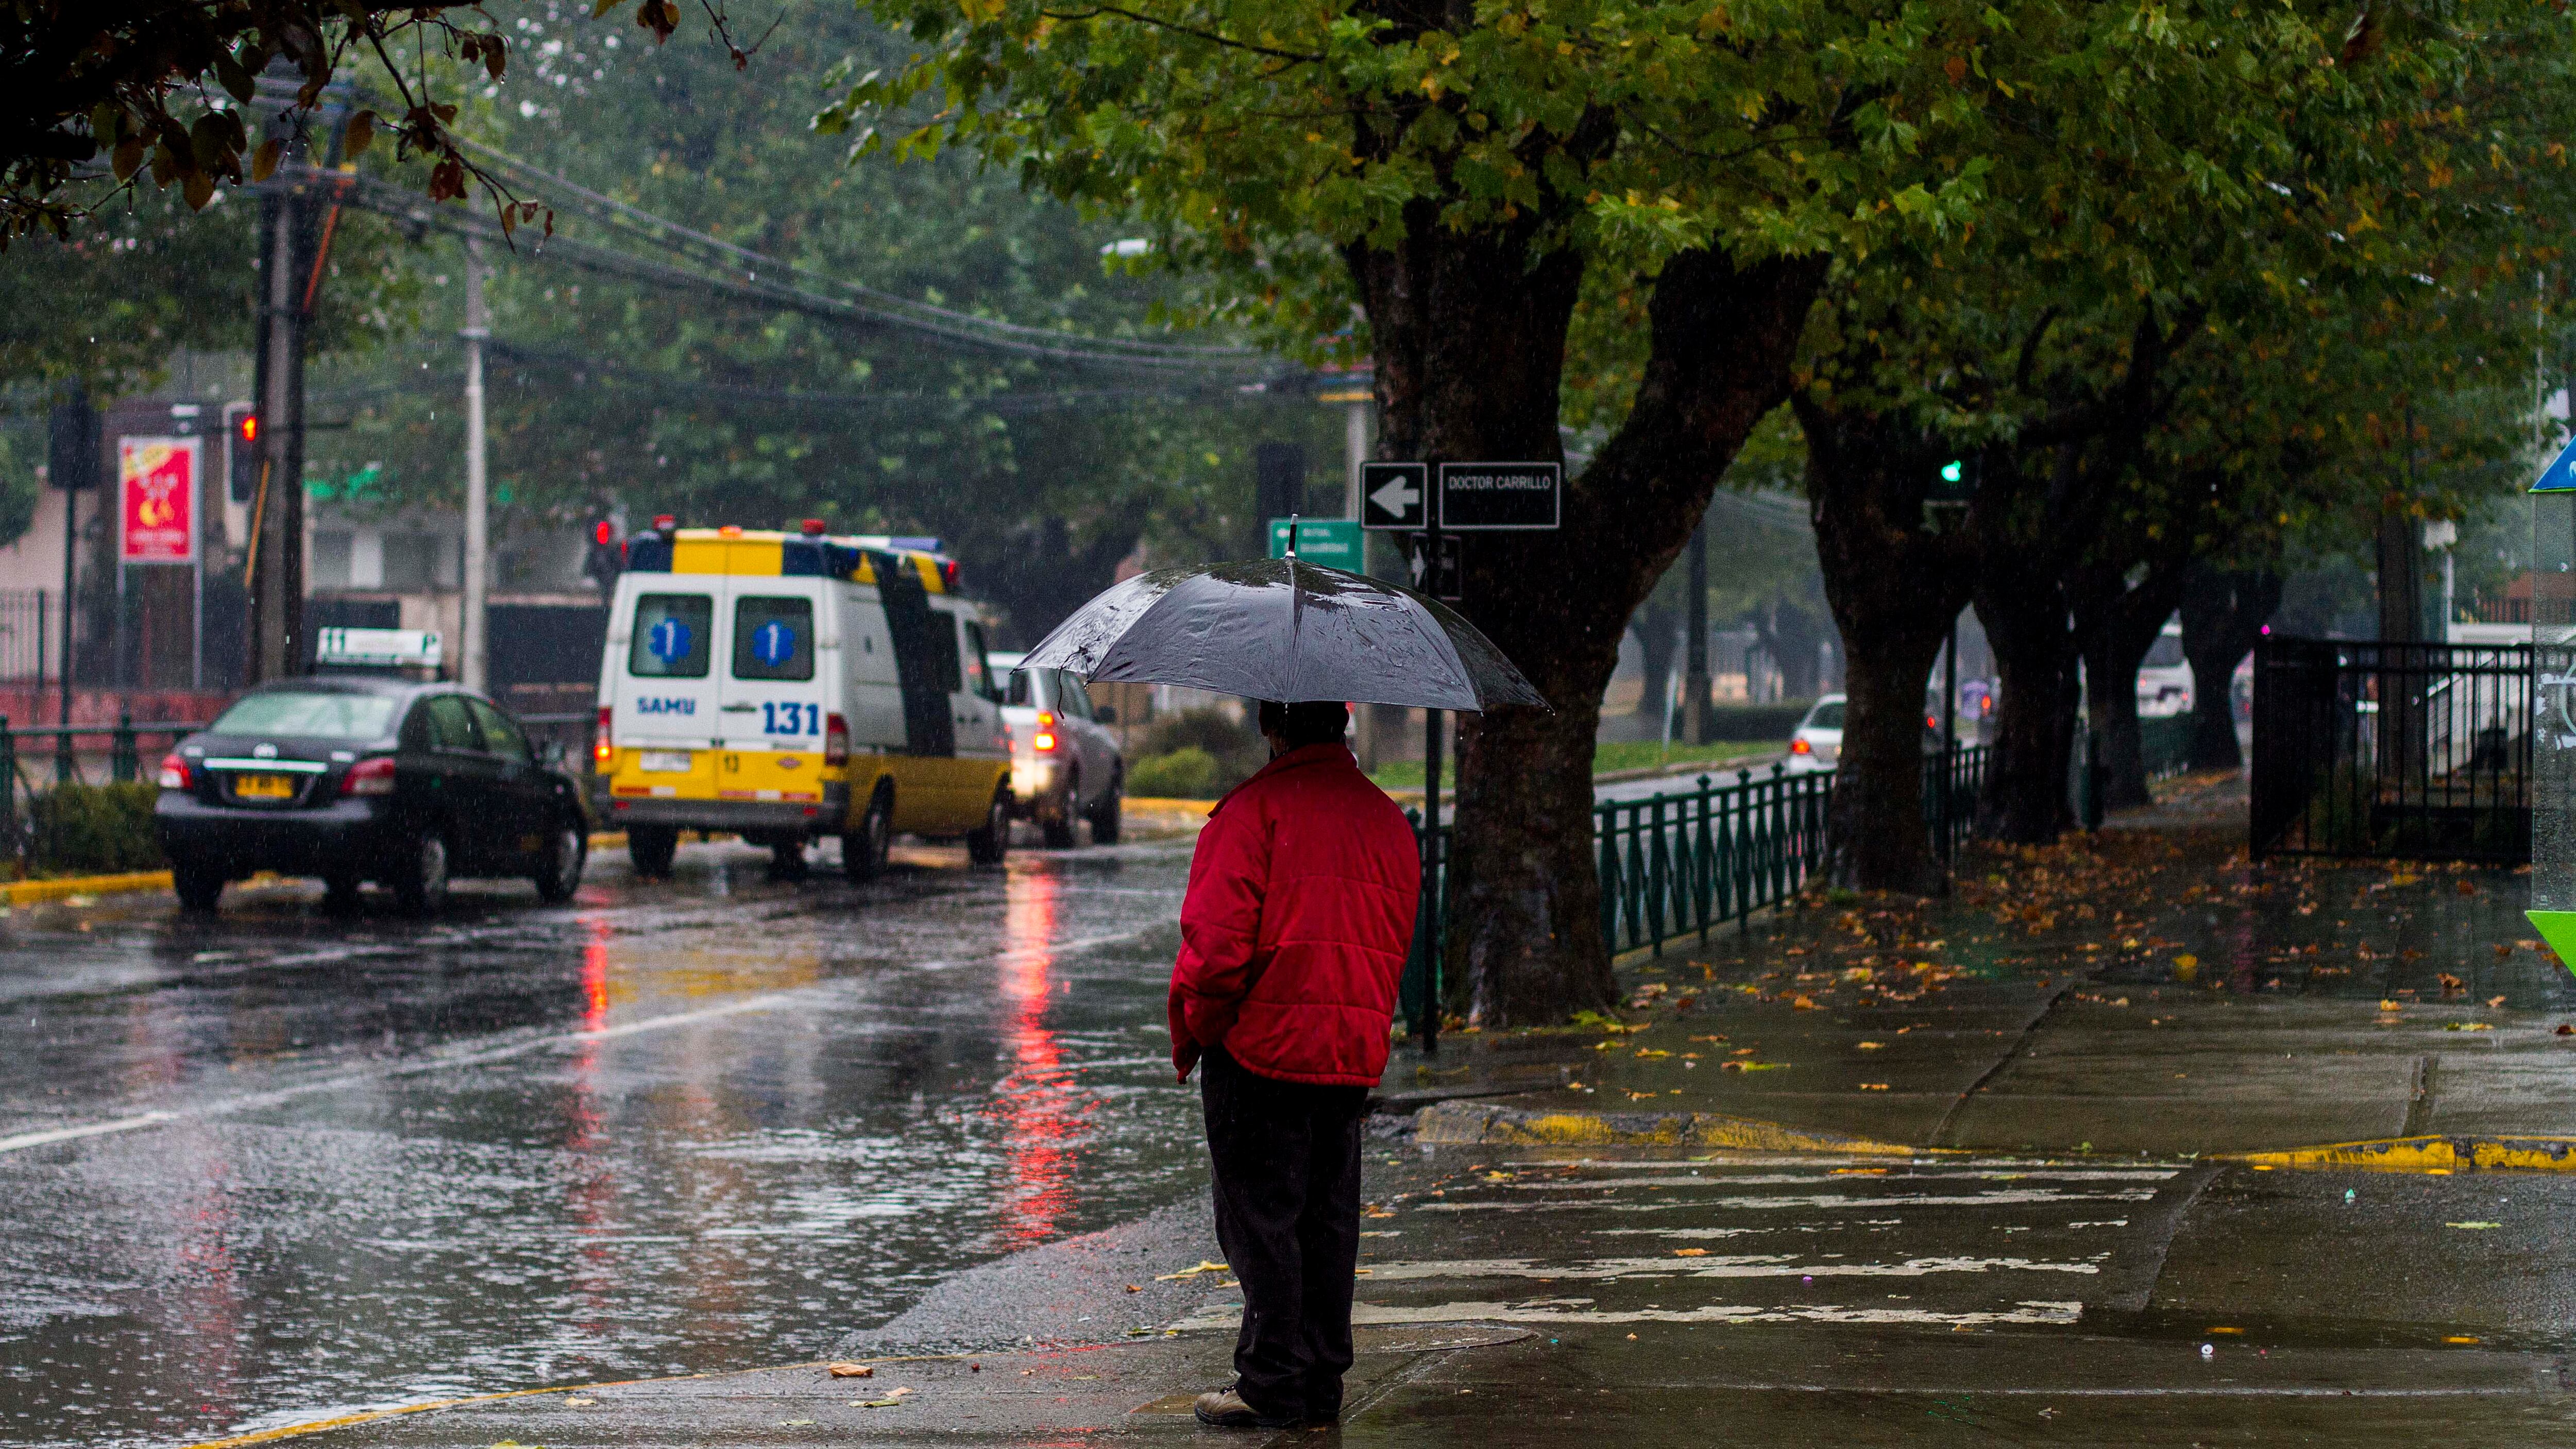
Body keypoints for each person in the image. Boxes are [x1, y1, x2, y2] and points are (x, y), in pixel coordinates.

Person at [1168, 698, 1422, 1429]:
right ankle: (1319, 1378)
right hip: (1347, 1052)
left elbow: (1215, 956)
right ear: (1340, 724)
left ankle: (1272, 1377)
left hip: (1263, 1050)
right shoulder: (1385, 820)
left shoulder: (1253, 814)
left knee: (1261, 1220)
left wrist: (1206, 1028)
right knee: (1328, 1219)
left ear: (1269, 725)